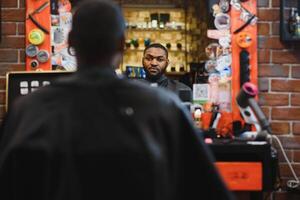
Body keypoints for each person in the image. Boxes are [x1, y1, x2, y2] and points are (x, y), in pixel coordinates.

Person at [0, 0, 234, 200]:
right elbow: (208, 191)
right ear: (122, 44)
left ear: (70, 42)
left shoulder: (29, 110)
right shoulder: (162, 108)